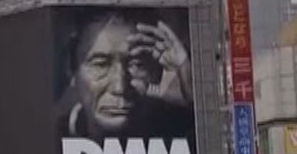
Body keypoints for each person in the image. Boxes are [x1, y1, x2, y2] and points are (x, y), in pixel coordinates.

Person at [56, 10, 194, 146]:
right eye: (100, 64)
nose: (120, 87)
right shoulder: (48, 145)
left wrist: (191, 103)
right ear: (71, 68)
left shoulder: (183, 129)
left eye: (137, 64)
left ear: (157, 71)